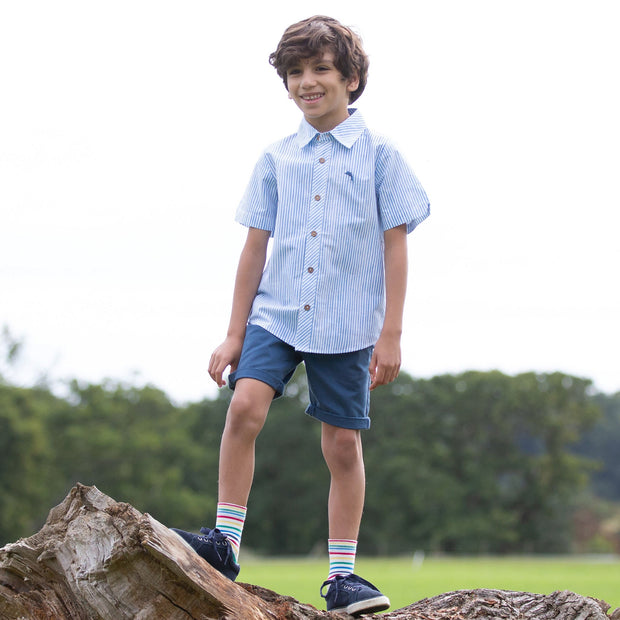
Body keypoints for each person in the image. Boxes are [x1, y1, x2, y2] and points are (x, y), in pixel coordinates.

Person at [172, 15, 430, 616]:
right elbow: (254, 248)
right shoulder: (276, 158)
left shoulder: (380, 156)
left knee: (341, 446)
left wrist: (391, 334)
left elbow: (397, 244)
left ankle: (343, 577)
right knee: (244, 406)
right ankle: (224, 541)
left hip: (348, 325)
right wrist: (234, 333)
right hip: (277, 313)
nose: (306, 82)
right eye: (295, 72)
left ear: (351, 78)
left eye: (320, 69)